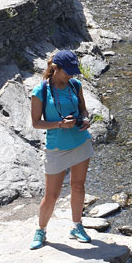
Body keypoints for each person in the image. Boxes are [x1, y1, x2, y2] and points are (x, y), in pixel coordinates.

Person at [29, 50, 93, 250]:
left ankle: (77, 226)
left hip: (81, 142)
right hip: (56, 147)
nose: (71, 76)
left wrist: (85, 119)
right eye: (68, 72)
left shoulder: (76, 85)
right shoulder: (41, 91)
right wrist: (59, 124)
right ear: (55, 68)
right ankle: (41, 230)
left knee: (78, 186)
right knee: (52, 195)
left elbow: (83, 109)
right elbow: (36, 123)